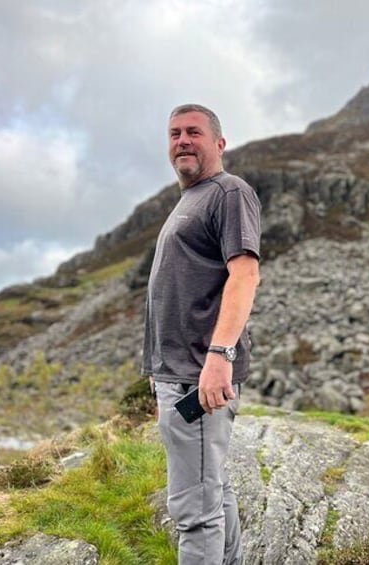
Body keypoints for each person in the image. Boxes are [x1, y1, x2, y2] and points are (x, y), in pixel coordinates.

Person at [142, 103, 261, 564]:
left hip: (199, 375)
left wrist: (219, 356)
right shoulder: (190, 198)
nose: (182, 141)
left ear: (219, 143)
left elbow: (245, 275)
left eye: (193, 132)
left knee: (195, 512)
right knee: (213, 489)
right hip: (179, 374)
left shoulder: (229, 192)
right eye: (174, 134)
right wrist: (158, 372)